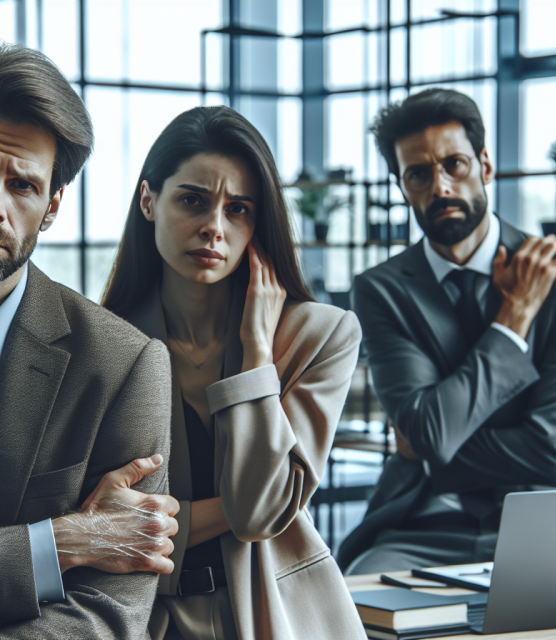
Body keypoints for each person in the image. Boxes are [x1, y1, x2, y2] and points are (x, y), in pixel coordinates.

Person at [0, 41, 179, 639]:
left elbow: (108, 613)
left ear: (51, 207)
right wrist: (57, 543)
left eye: (22, 185)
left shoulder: (124, 364)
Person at [102, 105, 366, 640]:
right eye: (193, 200)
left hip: (280, 614)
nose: (213, 228)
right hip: (140, 617)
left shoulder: (321, 335)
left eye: (238, 209)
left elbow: (253, 517)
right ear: (149, 200)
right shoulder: (102, 343)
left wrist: (256, 353)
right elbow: (97, 522)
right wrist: (107, 530)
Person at [337, 88, 556, 575]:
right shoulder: (380, 290)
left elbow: (554, 455)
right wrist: (513, 319)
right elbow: (427, 430)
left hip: (545, 524)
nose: (440, 187)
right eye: (419, 174)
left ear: (484, 165)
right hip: (421, 527)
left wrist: (432, 451)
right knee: (351, 607)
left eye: (454, 165)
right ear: (403, 186)